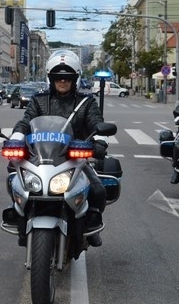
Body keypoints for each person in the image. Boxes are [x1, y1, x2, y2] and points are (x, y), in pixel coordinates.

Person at [10, 50, 108, 246]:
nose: (62, 82)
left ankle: (90, 226)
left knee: (98, 190)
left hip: (74, 157)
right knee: (14, 181)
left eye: (67, 78)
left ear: (75, 80)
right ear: (51, 79)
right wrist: (16, 138)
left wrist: (99, 140)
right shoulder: (39, 100)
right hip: (41, 156)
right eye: (58, 78)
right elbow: (25, 121)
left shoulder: (86, 102)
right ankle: (20, 219)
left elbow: (96, 123)